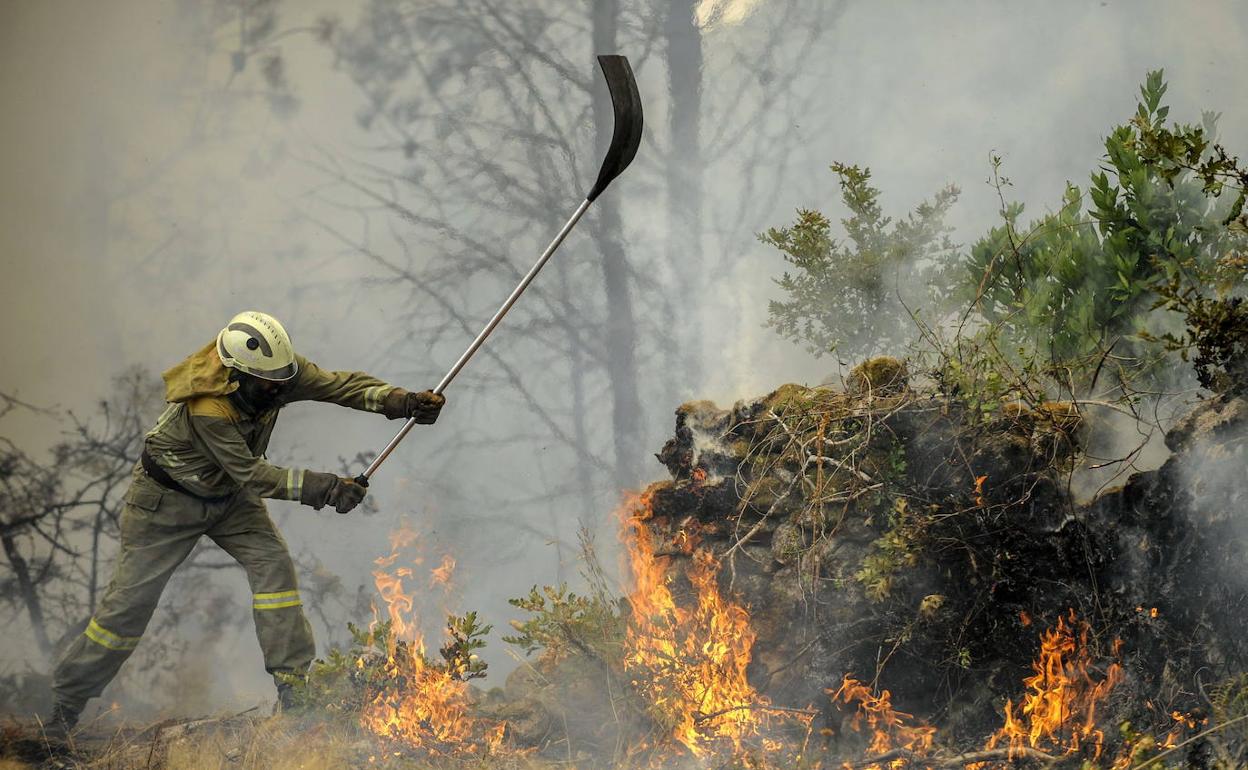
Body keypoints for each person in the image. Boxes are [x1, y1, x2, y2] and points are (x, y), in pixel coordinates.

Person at [46, 311, 444, 737]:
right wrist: (326, 488)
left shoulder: (279, 372)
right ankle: (63, 711)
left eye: (282, 381)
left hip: (229, 499)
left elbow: (341, 385)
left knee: (276, 574)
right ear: (236, 376)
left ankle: (295, 699)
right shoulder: (207, 406)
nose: (277, 391)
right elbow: (253, 474)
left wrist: (400, 402)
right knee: (126, 610)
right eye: (266, 386)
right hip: (165, 503)